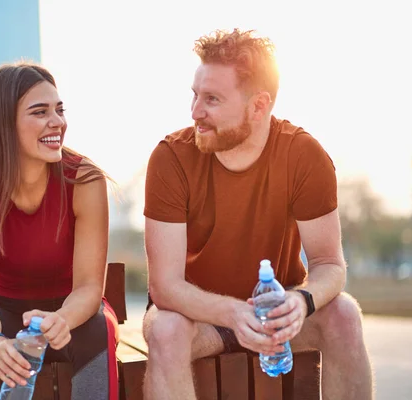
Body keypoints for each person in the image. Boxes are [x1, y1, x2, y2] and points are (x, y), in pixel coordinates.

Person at [142, 29, 373, 400]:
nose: (195, 111)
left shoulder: (304, 155)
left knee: (345, 316)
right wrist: (233, 313)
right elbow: (165, 286)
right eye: (195, 95)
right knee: (164, 331)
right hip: (199, 318)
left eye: (212, 99)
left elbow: (330, 264)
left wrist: (301, 302)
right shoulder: (171, 158)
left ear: (259, 105)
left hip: (278, 320)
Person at [0, 61, 119, 399]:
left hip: (74, 310)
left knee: (98, 329)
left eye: (59, 110)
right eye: (40, 112)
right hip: (2, 311)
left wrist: (62, 319)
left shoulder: (84, 180)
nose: (58, 123)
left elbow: (88, 288)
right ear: (2, 125)